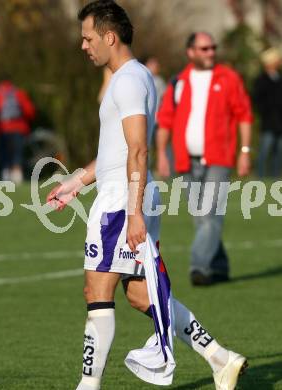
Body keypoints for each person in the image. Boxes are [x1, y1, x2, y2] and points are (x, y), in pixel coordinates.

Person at [47, 4, 247, 389]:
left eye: (88, 37)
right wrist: (77, 181)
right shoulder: (132, 78)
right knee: (142, 296)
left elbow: (138, 150)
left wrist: (133, 210)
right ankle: (220, 357)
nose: (83, 45)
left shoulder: (126, 81)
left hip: (123, 201)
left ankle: (87, 387)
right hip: (126, 195)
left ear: (109, 36)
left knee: (96, 291)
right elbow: (115, 152)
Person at [156, 32, 253, 286]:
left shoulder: (228, 78)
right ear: (191, 52)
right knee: (200, 217)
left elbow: (244, 115)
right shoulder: (179, 82)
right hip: (185, 160)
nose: (211, 52)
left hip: (219, 158)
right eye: (204, 49)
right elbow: (165, 120)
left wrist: (244, 152)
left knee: (209, 214)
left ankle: (199, 266)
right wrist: (161, 155)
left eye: (213, 48)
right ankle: (219, 266)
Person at [0, 78, 35, 183]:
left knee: (4, 152)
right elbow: (29, 111)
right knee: (17, 152)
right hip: (18, 127)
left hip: (2, 128)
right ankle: (17, 175)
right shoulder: (18, 93)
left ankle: (5, 174)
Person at [254, 47, 282, 178]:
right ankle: (259, 177)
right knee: (264, 151)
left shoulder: (279, 79)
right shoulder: (261, 80)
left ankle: (275, 177)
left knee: (279, 152)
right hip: (269, 122)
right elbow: (258, 100)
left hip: (280, 122)